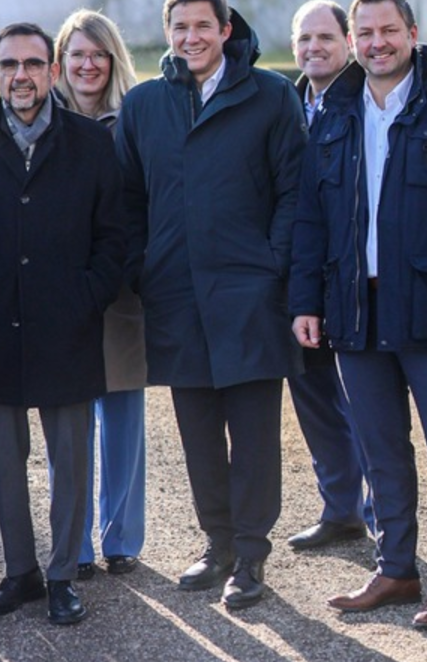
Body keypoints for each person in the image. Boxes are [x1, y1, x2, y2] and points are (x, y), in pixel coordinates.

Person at [289, 0, 427, 629]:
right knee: (380, 448)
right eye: (366, 32)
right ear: (353, 39)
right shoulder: (334, 113)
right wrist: (305, 301)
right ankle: (395, 569)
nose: (378, 42)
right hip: (354, 309)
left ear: (413, 34)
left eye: (389, 30)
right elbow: (311, 218)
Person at [0, 22, 125, 626]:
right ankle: (21, 572)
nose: (22, 75)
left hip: (68, 328)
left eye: (34, 64)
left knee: (71, 461)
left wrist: (87, 298)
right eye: (10, 65)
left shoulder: (91, 144)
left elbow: (115, 237)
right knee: (4, 461)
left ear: (52, 72)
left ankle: (63, 574)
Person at [115, 0, 306, 610]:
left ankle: (250, 554)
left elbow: (294, 191)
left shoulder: (270, 96)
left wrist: (272, 264)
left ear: (225, 30)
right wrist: (144, 267)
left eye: (203, 25)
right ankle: (218, 543)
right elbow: (126, 199)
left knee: (254, 436)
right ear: (167, 33)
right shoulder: (144, 105)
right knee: (198, 433)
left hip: (250, 292)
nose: (191, 37)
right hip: (174, 293)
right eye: (181, 27)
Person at [53, 9, 145, 580]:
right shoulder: (41, 117)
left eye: (98, 55)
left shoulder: (134, 117)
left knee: (123, 414)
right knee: (69, 421)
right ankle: (76, 543)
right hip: (61, 288)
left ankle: (122, 538)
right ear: (61, 61)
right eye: (77, 55)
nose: (88, 65)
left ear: (113, 60)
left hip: (123, 286)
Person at [285, 0, 373, 551]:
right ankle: (341, 509)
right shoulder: (287, 105)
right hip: (301, 277)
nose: (314, 47)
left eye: (325, 38)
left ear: (348, 43)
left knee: (367, 403)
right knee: (313, 397)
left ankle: (384, 517)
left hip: (354, 275)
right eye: (304, 39)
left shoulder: (367, 101)